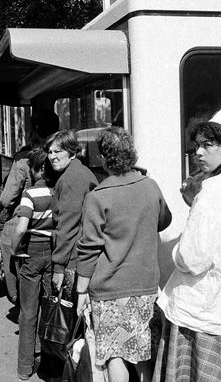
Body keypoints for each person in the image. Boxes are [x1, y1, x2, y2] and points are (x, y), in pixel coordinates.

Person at [155, 103, 221, 382]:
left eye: (208, 145)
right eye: (197, 146)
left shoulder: (213, 192)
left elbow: (193, 259)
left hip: (203, 310)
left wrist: (177, 250)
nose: (199, 153)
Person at [75, 127, 172, 382]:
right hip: (146, 284)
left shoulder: (98, 196)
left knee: (115, 354)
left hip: (109, 289)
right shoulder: (150, 186)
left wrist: (81, 291)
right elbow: (164, 221)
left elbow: (88, 248)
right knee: (142, 354)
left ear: (104, 158)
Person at [0, 109, 60, 304]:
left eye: (31, 129)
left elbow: (7, 198)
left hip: (27, 214)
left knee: (6, 240)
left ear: (36, 131)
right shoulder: (61, 154)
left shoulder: (23, 159)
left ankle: (15, 294)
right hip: (54, 217)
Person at [10, 149, 56, 381]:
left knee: (28, 311)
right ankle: (50, 364)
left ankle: (25, 367)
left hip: (32, 251)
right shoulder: (57, 191)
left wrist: (14, 248)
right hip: (54, 250)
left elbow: (21, 227)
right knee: (51, 308)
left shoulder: (30, 194)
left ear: (35, 169)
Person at [46, 129, 98, 301]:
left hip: (74, 258)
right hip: (79, 253)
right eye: (49, 152)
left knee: (67, 316)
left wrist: (59, 268)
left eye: (58, 151)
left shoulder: (71, 179)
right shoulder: (79, 172)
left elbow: (67, 225)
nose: (52, 156)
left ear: (72, 152)